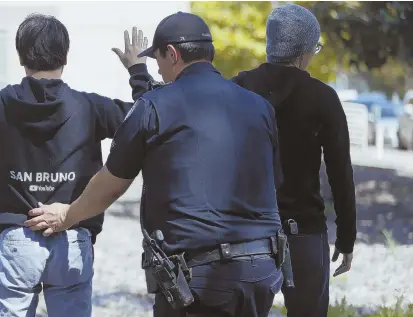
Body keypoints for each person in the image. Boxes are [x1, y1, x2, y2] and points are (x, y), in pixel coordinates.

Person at [24, 12, 287, 317]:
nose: (158, 71)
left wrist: (66, 216)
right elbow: (275, 182)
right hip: (261, 272)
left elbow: (111, 184)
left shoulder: (153, 107)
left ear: (173, 54)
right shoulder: (259, 107)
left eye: (158, 60)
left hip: (199, 280)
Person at [0, 13, 151, 317]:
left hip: (17, 238)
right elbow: (150, 123)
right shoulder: (90, 107)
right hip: (73, 236)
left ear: (21, 55)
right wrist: (138, 71)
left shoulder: (0, 104)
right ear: (65, 56)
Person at [230, 4, 357, 317]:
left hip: (246, 233)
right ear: (304, 51)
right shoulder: (323, 97)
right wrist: (346, 237)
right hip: (304, 233)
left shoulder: (238, 89)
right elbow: (341, 171)